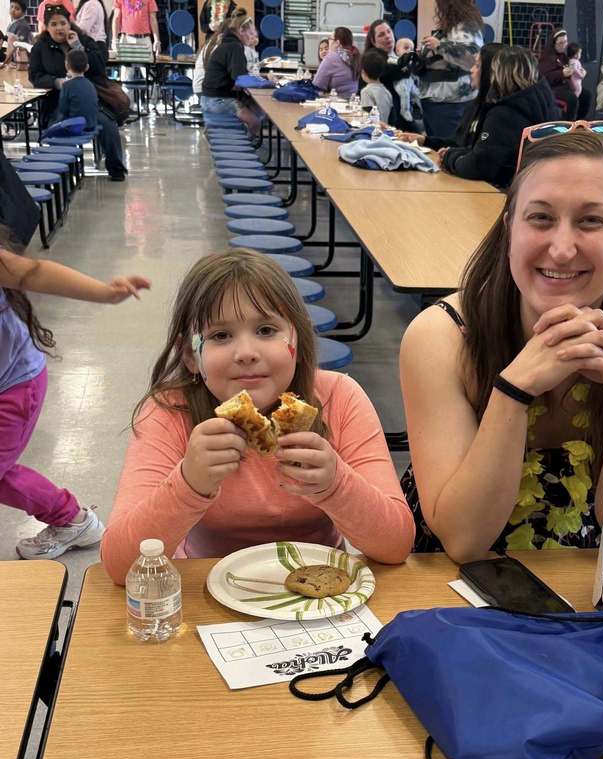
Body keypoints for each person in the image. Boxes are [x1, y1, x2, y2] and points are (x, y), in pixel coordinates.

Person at [399, 129, 603, 560]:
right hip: (447, 579)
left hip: (590, 576)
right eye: (541, 218)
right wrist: (512, 393)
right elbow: (464, 540)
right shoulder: (442, 336)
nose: (562, 250)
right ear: (509, 229)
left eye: (592, 220)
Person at [101, 250, 414, 584]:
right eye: (221, 336)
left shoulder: (339, 397)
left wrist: (336, 483)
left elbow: (396, 546)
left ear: (297, 339)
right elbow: (120, 566)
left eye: (266, 330)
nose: (247, 353)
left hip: (320, 591)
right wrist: (189, 483)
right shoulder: (171, 411)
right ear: (191, 355)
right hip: (207, 590)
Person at [0, 230, 150, 560]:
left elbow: (34, 272)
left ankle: (71, 518)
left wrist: (106, 293)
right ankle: (71, 518)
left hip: (14, 387)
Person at [436, 46, 560, 189]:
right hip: (537, 189)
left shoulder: (505, 114)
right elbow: (487, 151)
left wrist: (449, 158)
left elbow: (479, 165)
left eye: (478, 66)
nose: (472, 70)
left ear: (496, 73)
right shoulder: (540, 104)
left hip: (505, 194)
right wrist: (455, 153)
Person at [29, 5, 108, 127]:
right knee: (57, 126)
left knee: (107, 125)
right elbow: (34, 76)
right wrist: (56, 82)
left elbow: (99, 66)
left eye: (63, 23)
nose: (59, 28)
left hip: (89, 101)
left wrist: (78, 46)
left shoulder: (85, 40)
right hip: (57, 103)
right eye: (54, 24)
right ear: (47, 28)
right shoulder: (40, 47)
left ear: (69, 24)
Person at [57, 48, 128, 181]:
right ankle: (116, 169)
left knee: (57, 129)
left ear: (66, 65)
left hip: (75, 124)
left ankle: (66, 170)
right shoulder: (91, 84)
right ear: (87, 67)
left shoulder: (67, 85)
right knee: (109, 125)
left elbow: (63, 109)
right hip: (92, 121)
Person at [418, 0, 484, 139]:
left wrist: (440, 46)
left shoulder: (466, 26)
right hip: (436, 100)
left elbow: (472, 58)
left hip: (451, 102)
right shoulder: (450, 27)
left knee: (445, 148)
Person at [201, 11, 262, 136]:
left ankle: (220, 133)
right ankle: (242, 150)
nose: (252, 36)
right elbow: (240, 80)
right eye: (250, 32)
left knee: (248, 106)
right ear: (241, 30)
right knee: (255, 122)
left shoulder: (225, 44)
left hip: (207, 99)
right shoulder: (235, 48)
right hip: (218, 101)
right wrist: (264, 83)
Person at [538, 29, 590, 120]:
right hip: (553, 88)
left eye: (565, 42)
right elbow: (544, 77)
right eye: (561, 43)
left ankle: (579, 122)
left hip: (565, 86)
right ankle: (568, 125)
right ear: (554, 44)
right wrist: (561, 73)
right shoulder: (547, 57)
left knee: (586, 95)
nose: (564, 45)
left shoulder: (563, 56)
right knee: (572, 99)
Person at [312, 26, 360, 98]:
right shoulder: (354, 55)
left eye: (330, 39)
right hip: (351, 101)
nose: (328, 41)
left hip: (336, 102)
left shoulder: (331, 57)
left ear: (337, 43)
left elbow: (316, 85)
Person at [360, 47, 393, 123]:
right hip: (385, 128)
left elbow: (367, 116)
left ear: (363, 72)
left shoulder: (366, 92)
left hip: (373, 130)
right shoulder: (386, 91)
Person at [1, 0, 33, 68]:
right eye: (11, 7)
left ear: (23, 13)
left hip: (22, 57)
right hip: (13, 56)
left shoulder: (23, 25)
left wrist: (6, 61)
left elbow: (19, 44)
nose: (13, 10)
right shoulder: (12, 23)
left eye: (17, 8)